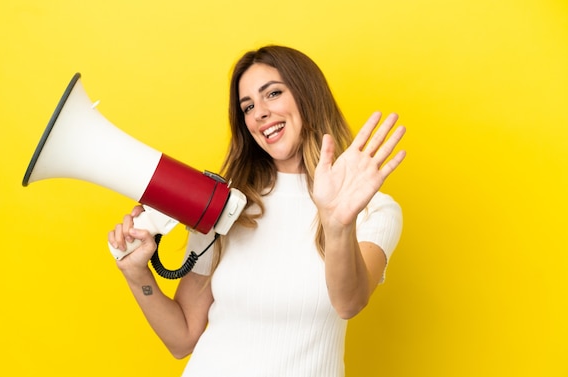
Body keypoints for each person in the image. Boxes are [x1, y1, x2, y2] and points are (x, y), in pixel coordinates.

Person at [108, 45, 406, 377]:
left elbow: (349, 302)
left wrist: (337, 224)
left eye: (273, 93)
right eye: (247, 106)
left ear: (308, 97)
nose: (259, 113)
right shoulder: (224, 204)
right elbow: (182, 339)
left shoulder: (374, 210)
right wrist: (137, 276)